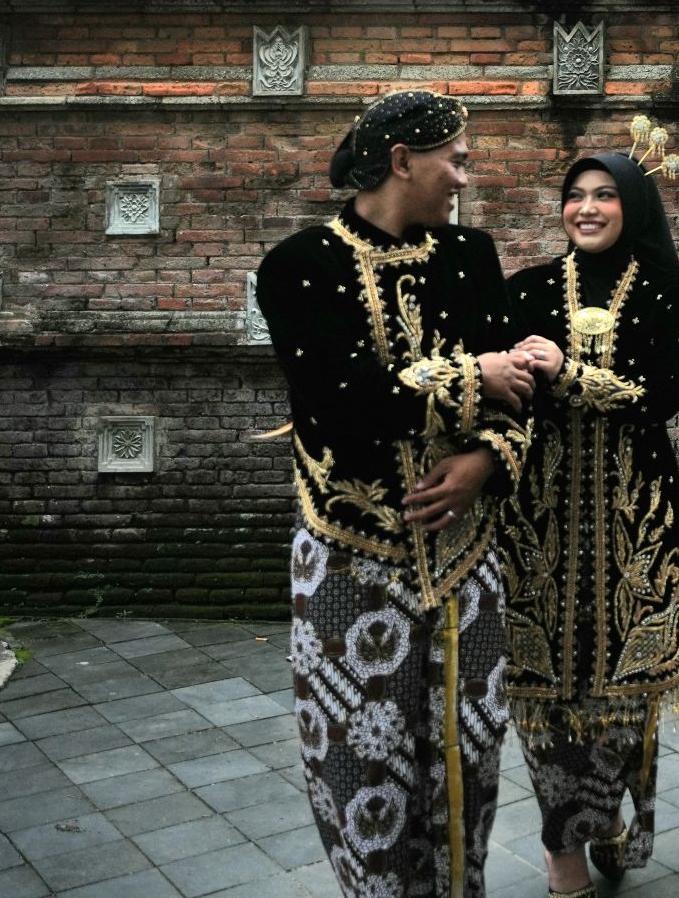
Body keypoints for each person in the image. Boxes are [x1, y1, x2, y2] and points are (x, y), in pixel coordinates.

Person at [257, 88, 554, 898]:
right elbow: (341, 405)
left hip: (466, 561)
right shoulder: (299, 267)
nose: (464, 177)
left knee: (470, 761)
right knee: (361, 767)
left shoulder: (471, 256)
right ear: (401, 162)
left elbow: (521, 396)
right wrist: (473, 376)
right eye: (454, 160)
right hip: (351, 562)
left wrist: (485, 460)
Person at [499, 118, 679, 897]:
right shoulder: (526, 290)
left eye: (605, 194)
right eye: (575, 194)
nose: (585, 207)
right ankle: (563, 855)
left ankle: (604, 813)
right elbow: (501, 397)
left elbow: (663, 395)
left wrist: (569, 372)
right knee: (543, 695)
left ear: (632, 206)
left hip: (635, 525)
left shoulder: (661, 291)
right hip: (536, 525)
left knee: (621, 694)